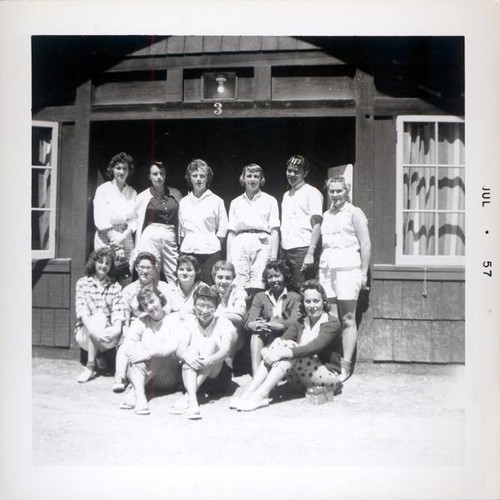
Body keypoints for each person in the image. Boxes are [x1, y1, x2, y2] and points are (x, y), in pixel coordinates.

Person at [232, 280, 343, 412]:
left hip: (327, 380)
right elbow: (281, 341)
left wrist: (280, 353)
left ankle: (261, 395)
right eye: (308, 301)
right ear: (303, 303)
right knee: (281, 344)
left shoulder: (332, 323)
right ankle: (249, 393)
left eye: (316, 301)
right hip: (300, 380)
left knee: (288, 348)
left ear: (324, 302)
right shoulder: (300, 321)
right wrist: (268, 352)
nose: (312, 306)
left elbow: (313, 348)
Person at [318, 176, 371, 382]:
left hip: (348, 268)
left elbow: (365, 244)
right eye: (332, 191)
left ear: (347, 190)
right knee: (331, 319)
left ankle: (346, 366)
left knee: (348, 318)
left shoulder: (354, 213)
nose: (335, 195)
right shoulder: (326, 215)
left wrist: (364, 272)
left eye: (339, 191)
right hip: (327, 269)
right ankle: (333, 362)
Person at [171, 285, 236, 420]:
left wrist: (209, 360)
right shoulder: (188, 322)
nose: (204, 311)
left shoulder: (223, 322)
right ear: (194, 305)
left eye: (209, 307)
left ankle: (189, 398)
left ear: (216, 307)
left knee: (212, 343)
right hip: (190, 374)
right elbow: (180, 350)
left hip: (216, 377)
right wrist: (189, 358)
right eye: (200, 305)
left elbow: (225, 351)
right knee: (191, 351)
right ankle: (193, 402)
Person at [112, 252, 173, 392]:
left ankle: (139, 382)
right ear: (136, 269)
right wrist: (126, 329)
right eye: (141, 267)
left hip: (157, 326)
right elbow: (126, 315)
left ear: (154, 269)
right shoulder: (128, 290)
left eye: (148, 267)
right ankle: (120, 377)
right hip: (136, 326)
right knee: (126, 344)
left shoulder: (163, 287)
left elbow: (167, 310)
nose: (145, 271)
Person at [118, 287, 182, 416]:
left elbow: (171, 347)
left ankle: (134, 393)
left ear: (160, 299)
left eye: (152, 301)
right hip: (146, 380)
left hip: (168, 377)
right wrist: (136, 351)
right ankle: (141, 398)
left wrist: (147, 352)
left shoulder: (173, 319)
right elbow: (128, 346)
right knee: (137, 347)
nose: (150, 307)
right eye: (145, 305)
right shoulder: (140, 322)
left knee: (156, 349)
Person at [226, 163, 280, 297]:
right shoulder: (235, 202)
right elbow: (231, 233)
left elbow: (275, 231)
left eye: (256, 176)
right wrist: (228, 258)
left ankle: (257, 315)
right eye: (249, 176)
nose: (252, 179)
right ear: (243, 178)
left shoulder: (270, 200)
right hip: (240, 242)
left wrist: (273, 256)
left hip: (262, 243)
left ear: (261, 180)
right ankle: (242, 313)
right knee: (240, 282)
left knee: (259, 282)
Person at [74, 247, 125, 383]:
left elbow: (118, 312)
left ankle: (99, 355)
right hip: (85, 334)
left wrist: (116, 330)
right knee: (99, 317)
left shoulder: (115, 286)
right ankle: (90, 367)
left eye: (107, 263)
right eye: (100, 262)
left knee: (116, 328)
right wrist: (95, 332)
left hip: (107, 336)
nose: (104, 265)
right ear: (94, 263)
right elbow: (82, 310)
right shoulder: (82, 283)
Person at [245, 259, 301, 375]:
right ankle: (256, 375)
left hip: (286, 337)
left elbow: (295, 322)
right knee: (256, 335)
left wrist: (276, 324)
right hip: (268, 336)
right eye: (270, 277)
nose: (274, 280)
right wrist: (261, 325)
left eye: (277, 276)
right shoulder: (260, 296)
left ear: (285, 276)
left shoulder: (294, 297)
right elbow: (249, 322)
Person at [178, 159, 229, 285]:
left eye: (202, 176)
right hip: (188, 252)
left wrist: (212, 242)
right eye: (195, 176)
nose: (198, 179)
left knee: (209, 287)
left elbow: (223, 228)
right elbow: (181, 230)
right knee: (188, 286)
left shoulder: (217, 201)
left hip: (210, 253)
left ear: (208, 178)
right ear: (190, 178)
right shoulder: (184, 202)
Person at [134, 161, 182, 283]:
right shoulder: (142, 196)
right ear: (149, 176)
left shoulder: (176, 194)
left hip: (170, 234)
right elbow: (138, 222)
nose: (159, 177)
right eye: (155, 174)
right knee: (152, 270)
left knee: (174, 272)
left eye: (162, 173)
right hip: (151, 234)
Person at [93, 152, 137, 282]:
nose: (121, 172)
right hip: (106, 236)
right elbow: (100, 217)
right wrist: (114, 240)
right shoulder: (103, 190)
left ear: (129, 171)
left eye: (125, 168)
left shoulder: (132, 192)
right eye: (118, 168)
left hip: (125, 237)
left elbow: (134, 219)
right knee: (105, 274)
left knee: (124, 276)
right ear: (112, 169)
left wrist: (122, 237)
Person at [280, 155, 324, 287]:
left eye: (296, 172)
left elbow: (317, 225)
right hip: (285, 249)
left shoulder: (312, 193)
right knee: (286, 289)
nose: (292, 174)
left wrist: (310, 253)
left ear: (305, 173)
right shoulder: (286, 195)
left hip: (302, 249)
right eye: (289, 170)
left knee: (302, 288)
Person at [211, 260, 248, 367]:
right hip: (214, 332)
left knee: (232, 326)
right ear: (214, 277)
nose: (224, 281)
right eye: (220, 277)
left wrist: (216, 316)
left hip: (236, 337)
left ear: (233, 279)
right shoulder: (210, 290)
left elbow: (239, 317)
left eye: (228, 278)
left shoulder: (238, 291)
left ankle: (228, 367)